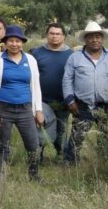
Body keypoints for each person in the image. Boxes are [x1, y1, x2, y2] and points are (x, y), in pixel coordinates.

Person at [0, 26, 45, 182]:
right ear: (5, 42)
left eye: (17, 41)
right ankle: (0, 175)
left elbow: (36, 86)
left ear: (22, 43)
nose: (14, 44)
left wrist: (38, 110)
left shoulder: (30, 60)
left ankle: (33, 174)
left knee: (33, 143)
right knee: (2, 144)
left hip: (25, 108)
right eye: (11, 40)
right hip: (3, 108)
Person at [62, 22, 108, 164]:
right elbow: (67, 80)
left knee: (105, 137)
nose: (95, 40)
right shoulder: (75, 57)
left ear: (102, 38)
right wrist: (70, 100)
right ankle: (70, 165)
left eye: (98, 37)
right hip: (82, 106)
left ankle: (105, 164)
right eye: (91, 37)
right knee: (77, 137)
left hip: (105, 106)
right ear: (85, 39)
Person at [30, 22, 73, 161]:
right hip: (41, 101)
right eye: (51, 33)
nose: (54, 36)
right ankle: (37, 157)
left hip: (63, 101)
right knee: (41, 129)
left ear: (64, 36)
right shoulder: (37, 52)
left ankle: (61, 157)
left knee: (61, 132)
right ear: (47, 35)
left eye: (58, 34)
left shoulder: (70, 54)